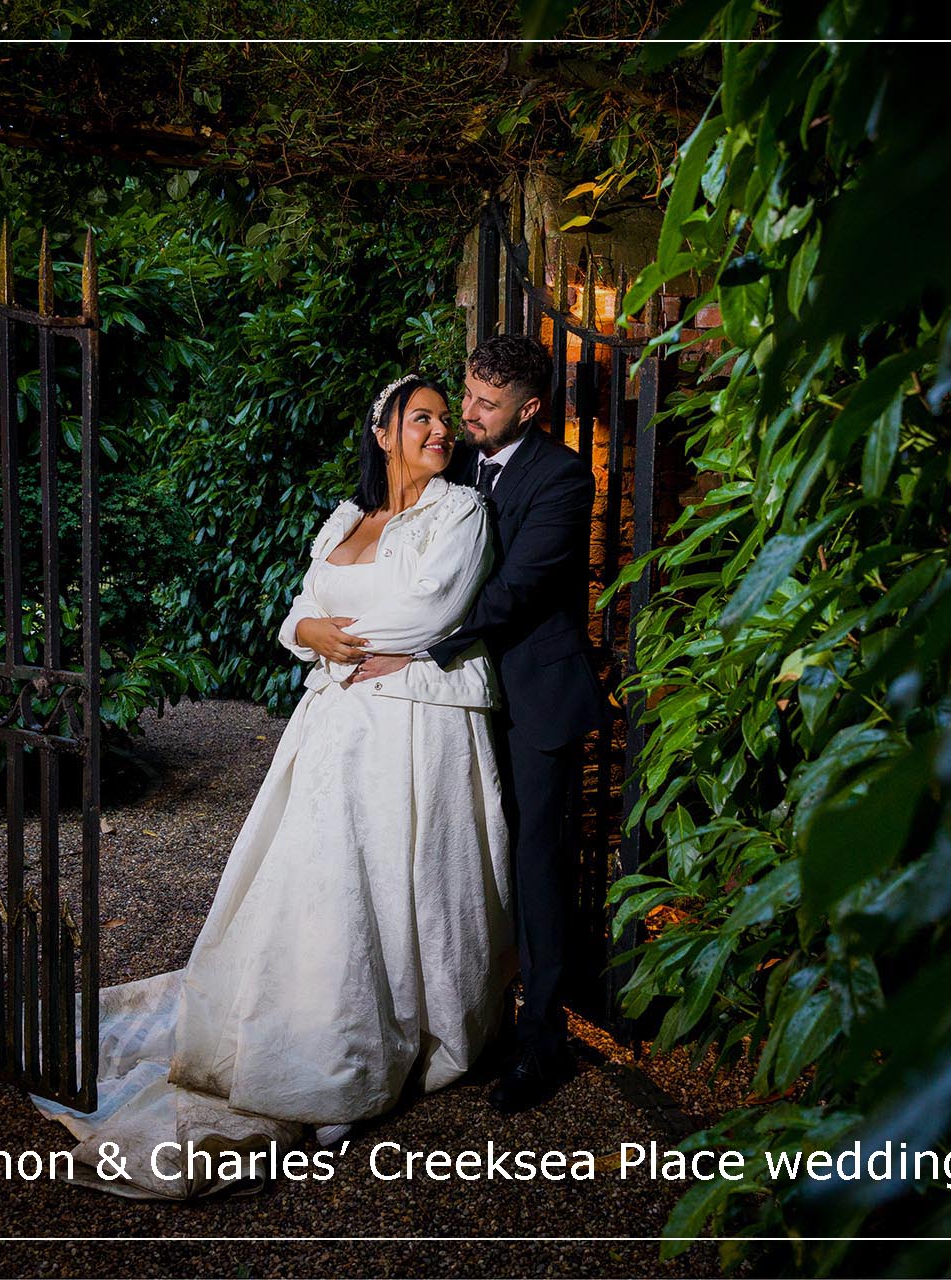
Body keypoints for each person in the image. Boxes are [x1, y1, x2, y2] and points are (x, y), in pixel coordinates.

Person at [34, 374, 515, 1198]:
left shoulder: (461, 513)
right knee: (314, 875)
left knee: (404, 878)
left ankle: (396, 1026)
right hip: (335, 719)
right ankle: (299, 1014)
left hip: (412, 720)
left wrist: (333, 639)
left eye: (447, 418)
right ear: (384, 432)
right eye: (423, 418)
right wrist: (309, 632)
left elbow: (429, 612)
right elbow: (296, 608)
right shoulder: (346, 517)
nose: (442, 430)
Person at [350, 334, 604, 1115]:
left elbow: (516, 590)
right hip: (459, 697)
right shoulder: (453, 463)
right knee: (463, 853)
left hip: (533, 694)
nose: (465, 415)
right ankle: (470, 1012)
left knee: (533, 861)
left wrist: (415, 648)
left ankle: (543, 1039)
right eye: (465, 396)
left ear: (530, 409)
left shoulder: (563, 477)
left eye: (486, 404)